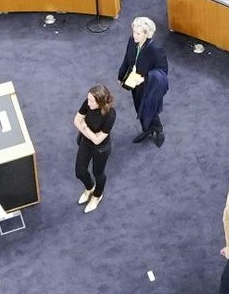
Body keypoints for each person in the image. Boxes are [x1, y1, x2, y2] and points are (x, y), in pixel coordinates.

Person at [117, 12, 171, 145]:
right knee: (138, 106)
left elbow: (162, 71)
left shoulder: (156, 49)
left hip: (149, 85)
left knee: (149, 107)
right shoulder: (132, 41)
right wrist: (120, 76)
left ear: (147, 34)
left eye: (138, 33)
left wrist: (145, 78)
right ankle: (147, 129)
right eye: (134, 32)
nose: (134, 35)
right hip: (133, 80)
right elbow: (126, 59)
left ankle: (158, 129)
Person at [71, 85, 118, 210]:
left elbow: (98, 140)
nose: (88, 102)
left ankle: (97, 195)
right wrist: (90, 133)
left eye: (92, 101)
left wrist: (85, 126)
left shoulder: (110, 114)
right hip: (86, 142)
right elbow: (76, 120)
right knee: (80, 172)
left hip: (101, 149)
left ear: (100, 102)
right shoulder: (88, 103)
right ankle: (90, 188)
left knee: (98, 173)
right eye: (88, 99)